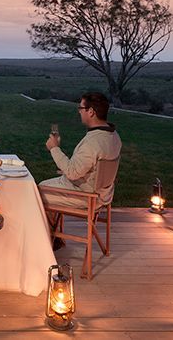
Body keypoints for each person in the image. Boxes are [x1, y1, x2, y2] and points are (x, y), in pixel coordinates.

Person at [38, 92, 122, 250]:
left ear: (91, 111)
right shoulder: (113, 136)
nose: (79, 111)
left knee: (36, 193)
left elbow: (72, 172)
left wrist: (54, 148)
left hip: (87, 197)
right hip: (103, 193)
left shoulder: (93, 142)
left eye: (81, 108)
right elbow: (86, 168)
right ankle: (53, 236)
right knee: (43, 184)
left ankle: (47, 241)